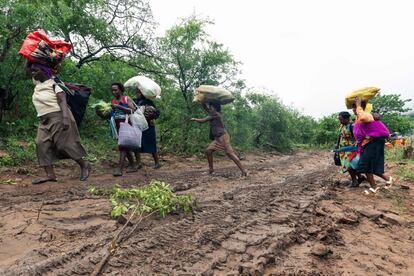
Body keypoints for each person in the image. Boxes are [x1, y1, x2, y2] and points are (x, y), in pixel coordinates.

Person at [29, 63, 90, 184]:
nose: (32, 73)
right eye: (32, 71)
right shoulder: (38, 83)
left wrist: (65, 118)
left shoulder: (55, 83)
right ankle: (50, 175)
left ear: (44, 71)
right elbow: (27, 70)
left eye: (35, 71)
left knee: (64, 145)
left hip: (58, 116)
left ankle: (84, 165)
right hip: (43, 120)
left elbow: (62, 100)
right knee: (41, 144)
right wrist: (28, 58)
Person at [191, 102, 247, 176]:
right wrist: (202, 101)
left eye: (211, 107)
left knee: (230, 153)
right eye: (210, 107)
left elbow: (203, 120)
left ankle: (244, 171)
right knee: (208, 151)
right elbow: (206, 108)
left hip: (223, 137)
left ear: (215, 108)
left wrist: (194, 119)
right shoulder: (213, 113)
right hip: (218, 139)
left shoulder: (215, 114)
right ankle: (211, 170)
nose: (209, 108)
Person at [352, 97, 393, 194]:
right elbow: (360, 131)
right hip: (367, 143)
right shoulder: (359, 118)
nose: (354, 110)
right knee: (369, 165)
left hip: (373, 143)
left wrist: (358, 105)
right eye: (353, 107)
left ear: (362, 108)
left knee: (366, 165)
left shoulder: (367, 115)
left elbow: (363, 117)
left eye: (355, 107)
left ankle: (374, 187)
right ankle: (387, 179)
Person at [110, 82, 136, 176]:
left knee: (122, 146)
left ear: (120, 90)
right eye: (112, 90)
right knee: (125, 146)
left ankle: (119, 169)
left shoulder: (126, 98)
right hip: (117, 125)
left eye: (115, 90)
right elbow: (112, 114)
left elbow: (132, 110)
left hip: (126, 124)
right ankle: (133, 165)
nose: (113, 92)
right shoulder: (113, 101)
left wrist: (119, 106)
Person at [132, 88, 161, 169]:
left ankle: (157, 163)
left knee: (151, 143)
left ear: (143, 94)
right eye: (137, 92)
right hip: (138, 125)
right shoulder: (134, 102)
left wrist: (152, 115)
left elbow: (157, 113)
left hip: (148, 126)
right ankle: (138, 163)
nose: (137, 94)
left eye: (139, 93)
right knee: (136, 144)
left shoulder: (149, 102)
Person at [336, 111, 365, 187]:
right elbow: (340, 135)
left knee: (349, 165)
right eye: (339, 119)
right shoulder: (342, 125)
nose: (340, 120)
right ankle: (360, 177)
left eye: (341, 119)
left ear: (346, 118)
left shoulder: (352, 126)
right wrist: (337, 145)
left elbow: (357, 137)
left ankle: (354, 181)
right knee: (350, 164)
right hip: (343, 148)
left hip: (350, 148)